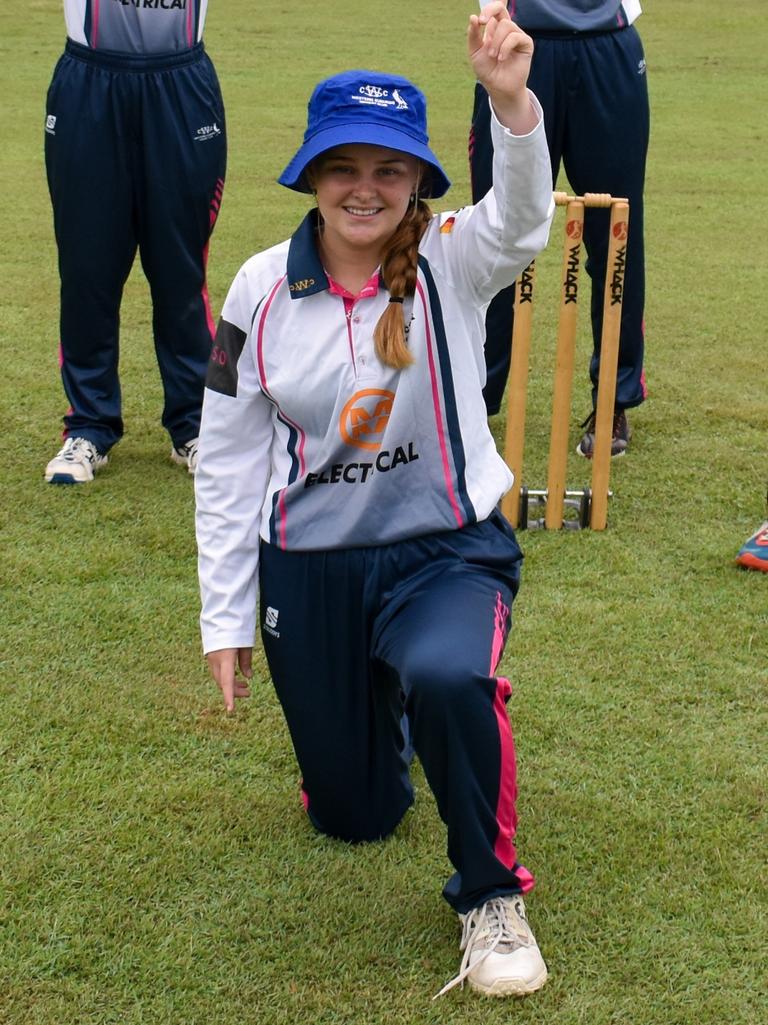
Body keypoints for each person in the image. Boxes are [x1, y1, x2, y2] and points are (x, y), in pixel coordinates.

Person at [196, 3, 553, 999]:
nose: (367, 189)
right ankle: (390, 705)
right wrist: (224, 616)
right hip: (309, 569)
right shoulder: (254, 292)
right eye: (345, 167)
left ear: (419, 182)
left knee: (445, 673)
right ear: (311, 173)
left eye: (390, 170)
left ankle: (490, 895)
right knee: (352, 813)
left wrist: (510, 99)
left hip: (445, 550)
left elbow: (524, 220)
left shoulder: (452, 256)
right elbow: (226, 464)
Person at [44, 0, 226, 484]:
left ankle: (196, 424)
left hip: (181, 87)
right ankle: (87, 427)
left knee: (181, 274)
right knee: (87, 272)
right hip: (90, 86)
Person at [469, 0, 649, 457]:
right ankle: (473, 398)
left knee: (616, 235)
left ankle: (613, 399)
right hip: (518, 40)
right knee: (495, 231)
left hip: (608, 46)